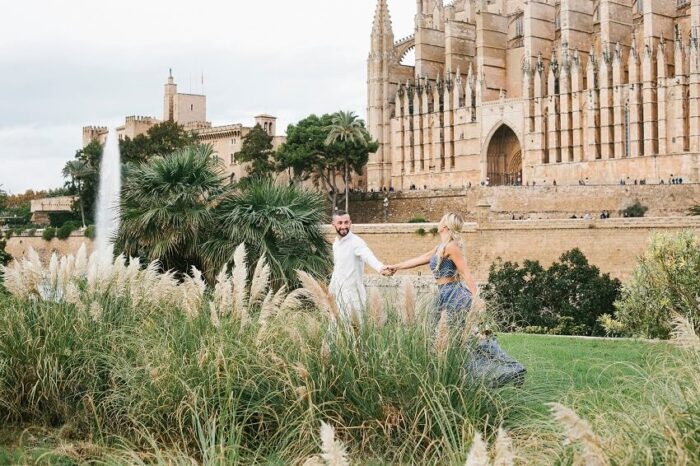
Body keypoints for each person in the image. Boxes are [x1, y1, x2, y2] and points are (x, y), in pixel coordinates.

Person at [386, 213, 476, 322]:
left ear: (445, 226)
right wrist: (396, 267)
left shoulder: (452, 247)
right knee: (439, 332)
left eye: (441, 220)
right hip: (442, 292)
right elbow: (420, 259)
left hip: (453, 294)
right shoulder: (440, 248)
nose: (439, 223)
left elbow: (465, 272)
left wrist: (477, 299)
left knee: (453, 331)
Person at [328, 210, 391, 320]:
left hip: (354, 297)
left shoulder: (356, 242)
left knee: (355, 331)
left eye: (346, 222)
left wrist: (380, 268)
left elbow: (368, 256)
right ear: (333, 225)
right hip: (338, 296)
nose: (344, 226)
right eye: (340, 223)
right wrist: (330, 292)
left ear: (350, 223)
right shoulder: (336, 244)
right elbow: (337, 269)